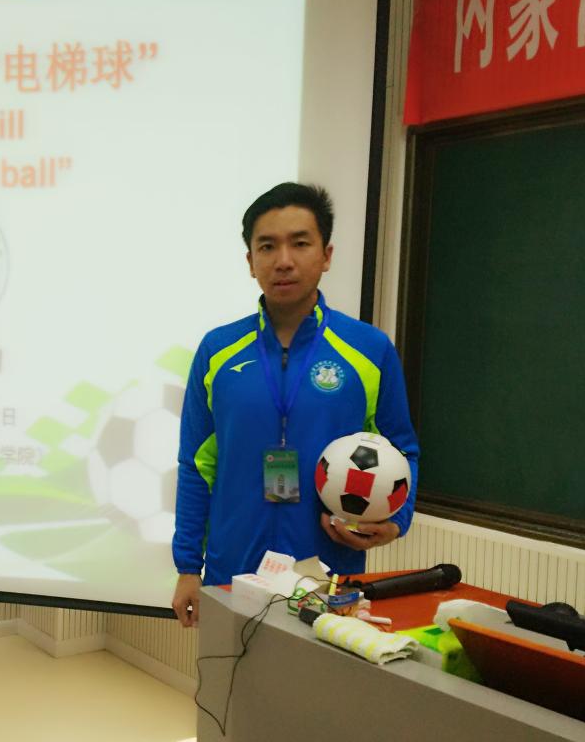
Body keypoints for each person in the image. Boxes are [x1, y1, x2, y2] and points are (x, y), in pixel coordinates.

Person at [171, 182, 419, 627]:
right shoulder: (218, 350)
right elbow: (195, 465)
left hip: (328, 570)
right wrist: (188, 566)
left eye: (300, 243)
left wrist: (396, 520)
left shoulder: (369, 349)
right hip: (232, 568)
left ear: (326, 255)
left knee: (317, 673)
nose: (283, 260)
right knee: (229, 673)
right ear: (251, 262)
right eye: (267, 246)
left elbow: (403, 449)